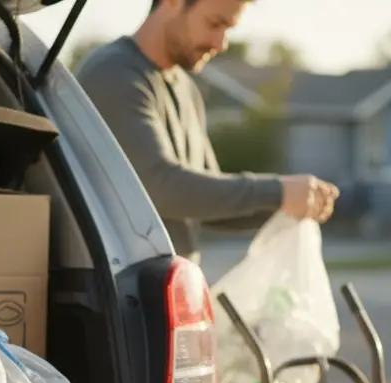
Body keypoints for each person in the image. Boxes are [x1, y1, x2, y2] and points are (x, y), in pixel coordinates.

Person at [76, 0, 339, 263]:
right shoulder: (114, 75)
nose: (221, 44)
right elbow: (161, 188)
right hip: (121, 291)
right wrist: (278, 192)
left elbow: (207, 203)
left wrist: (288, 205)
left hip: (172, 289)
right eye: (214, 24)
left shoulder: (187, 90)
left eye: (228, 29)